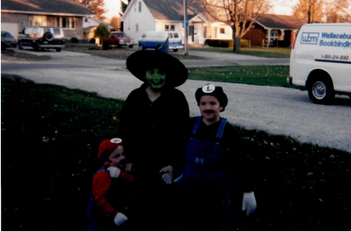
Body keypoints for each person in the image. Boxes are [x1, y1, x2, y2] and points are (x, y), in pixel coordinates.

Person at [119, 50, 189, 230]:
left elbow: (182, 135)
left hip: (164, 165)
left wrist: (174, 164)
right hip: (139, 164)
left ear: (168, 75)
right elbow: (126, 129)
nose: (156, 77)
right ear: (144, 74)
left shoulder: (176, 99)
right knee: (138, 207)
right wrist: (129, 158)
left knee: (164, 210)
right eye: (151, 72)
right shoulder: (135, 97)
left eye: (161, 73)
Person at [177, 84, 257, 230]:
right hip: (189, 190)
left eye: (213, 103)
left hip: (216, 195)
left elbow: (241, 162)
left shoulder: (228, 132)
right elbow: (177, 150)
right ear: (199, 106)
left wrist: (248, 190)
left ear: (221, 106)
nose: (208, 107)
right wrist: (171, 167)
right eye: (203, 103)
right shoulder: (189, 126)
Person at [87, 138, 134, 231]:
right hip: (101, 223)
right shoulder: (102, 175)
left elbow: (134, 183)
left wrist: (122, 175)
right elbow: (100, 199)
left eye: (123, 154)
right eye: (116, 156)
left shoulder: (121, 171)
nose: (122, 158)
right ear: (105, 161)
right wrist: (114, 214)